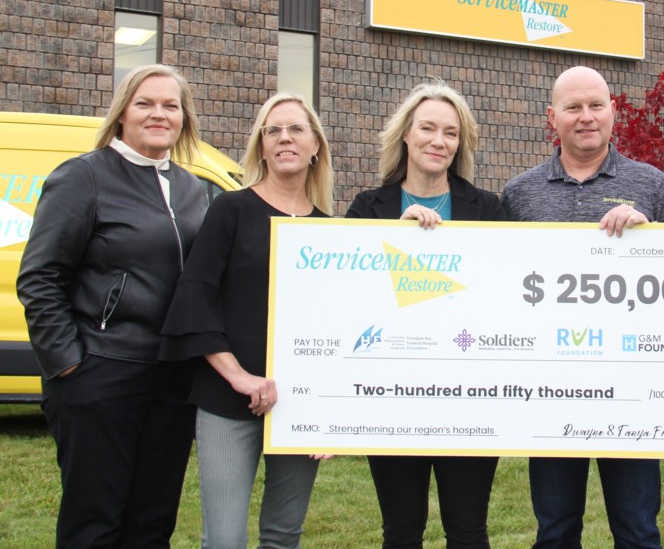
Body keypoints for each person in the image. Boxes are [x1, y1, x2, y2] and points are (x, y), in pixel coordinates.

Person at [16, 64, 208, 547]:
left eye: (170, 105)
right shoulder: (84, 177)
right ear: (122, 112)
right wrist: (69, 366)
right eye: (145, 103)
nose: (158, 114)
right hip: (101, 373)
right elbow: (40, 277)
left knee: (152, 523)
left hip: (171, 380)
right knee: (94, 523)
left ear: (184, 118)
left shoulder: (191, 189)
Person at [501, 66, 664, 549]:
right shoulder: (520, 194)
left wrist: (655, 237)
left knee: (639, 530)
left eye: (596, 105)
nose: (586, 117)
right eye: (573, 107)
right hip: (550, 388)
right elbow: (497, 285)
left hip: (633, 387)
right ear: (552, 117)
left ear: (613, 111)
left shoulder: (652, 185)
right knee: (556, 529)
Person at [159, 93, 335, 548]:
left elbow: (340, 326)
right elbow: (195, 300)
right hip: (226, 398)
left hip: (301, 405)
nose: (284, 138)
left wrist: (331, 415)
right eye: (272, 131)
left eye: (296, 129)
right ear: (260, 147)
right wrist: (240, 378)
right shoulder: (230, 211)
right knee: (223, 538)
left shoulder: (330, 230)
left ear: (316, 144)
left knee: (283, 536)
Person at [346, 80, 504, 548]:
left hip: (470, 394)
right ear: (406, 136)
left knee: (469, 531)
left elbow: (504, 293)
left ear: (461, 143)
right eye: (428, 129)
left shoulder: (490, 210)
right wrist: (395, 242)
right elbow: (348, 296)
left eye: (451, 133)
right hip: (393, 393)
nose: (439, 141)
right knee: (400, 531)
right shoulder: (367, 210)